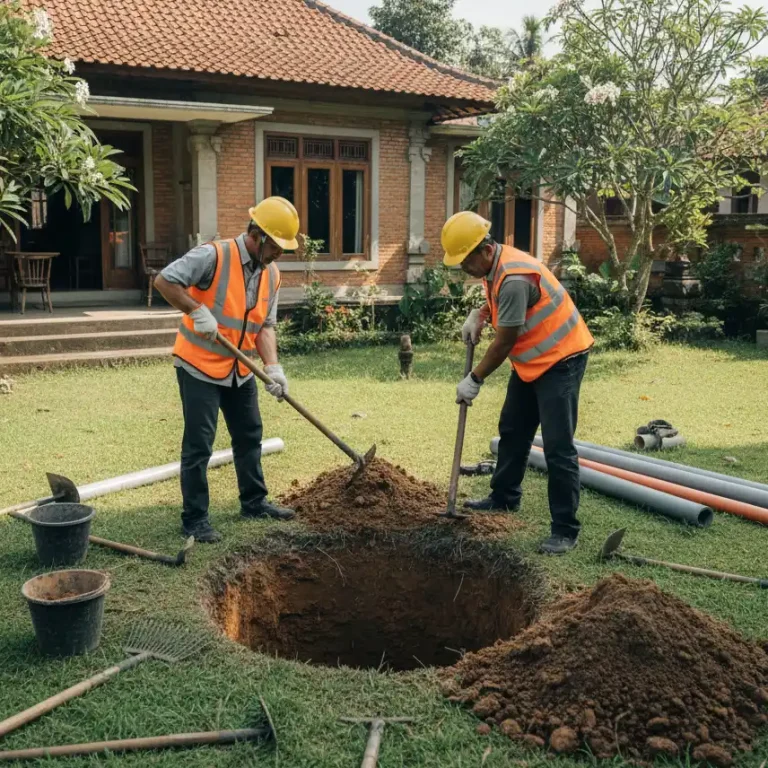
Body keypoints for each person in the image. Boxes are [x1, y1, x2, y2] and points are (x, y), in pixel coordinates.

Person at [442, 211, 594, 555]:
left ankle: (565, 530)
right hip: (532, 362)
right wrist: (480, 313)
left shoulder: (513, 278)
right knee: (513, 428)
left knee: (558, 447)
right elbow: (499, 303)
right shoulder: (495, 266)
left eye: (466, 261)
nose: (464, 268)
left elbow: (504, 342)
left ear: (485, 250)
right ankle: (505, 496)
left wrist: (474, 378)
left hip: (562, 359)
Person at [154, 197, 299, 543]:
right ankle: (195, 519)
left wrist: (273, 367)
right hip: (198, 365)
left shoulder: (272, 274)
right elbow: (164, 281)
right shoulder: (214, 256)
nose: (280, 253)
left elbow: (265, 326)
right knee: (199, 444)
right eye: (277, 246)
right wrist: (195, 310)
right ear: (258, 236)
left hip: (240, 368)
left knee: (250, 434)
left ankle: (254, 502)